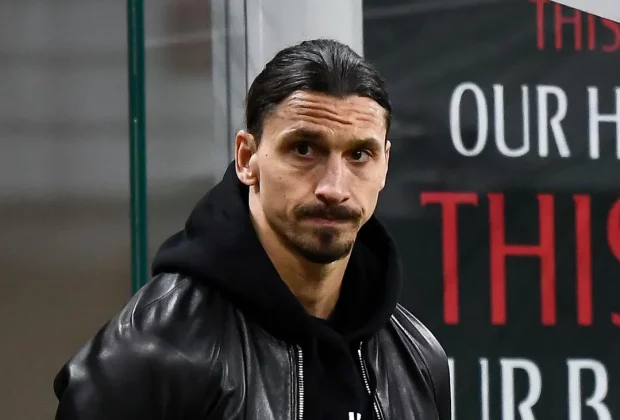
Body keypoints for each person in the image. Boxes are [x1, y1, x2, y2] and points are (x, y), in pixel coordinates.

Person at [53, 38, 451, 420]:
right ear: (247, 158)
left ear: (385, 165)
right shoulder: (151, 353)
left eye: (359, 154)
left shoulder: (417, 358)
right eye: (303, 149)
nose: (334, 187)